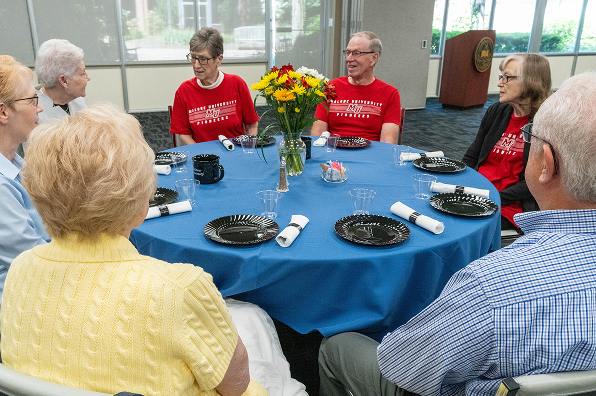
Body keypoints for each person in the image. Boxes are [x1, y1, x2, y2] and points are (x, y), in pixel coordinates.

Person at [318, 72, 596, 395]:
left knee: (334, 345)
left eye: (530, 136)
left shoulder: (489, 287)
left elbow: (404, 367)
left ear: (546, 163)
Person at [0, 103, 307, 396]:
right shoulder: (179, 288)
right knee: (259, 329)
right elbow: (236, 386)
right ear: (138, 204)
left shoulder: (21, 269)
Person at [462, 53, 551, 231]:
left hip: (509, 206)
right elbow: (472, 157)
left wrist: (492, 197)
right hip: (477, 193)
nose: (499, 83)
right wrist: (462, 186)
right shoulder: (497, 112)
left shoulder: (547, 123)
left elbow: (536, 182)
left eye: (507, 77)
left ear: (531, 81)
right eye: (501, 76)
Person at [0, 55, 50, 307]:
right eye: (32, 100)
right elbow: (37, 262)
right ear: (4, 112)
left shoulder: (17, 163)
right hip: (24, 305)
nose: (39, 107)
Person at [170, 27, 259, 145]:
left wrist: (247, 150)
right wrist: (203, 157)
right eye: (193, 57)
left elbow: (252, 125)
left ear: (219, 59)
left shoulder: (237, 84)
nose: (196, 65)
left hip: (235, 154)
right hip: (202, 158)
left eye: (203, 59)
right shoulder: (184, 91)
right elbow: (184, 135)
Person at [310, 31, 401, 143]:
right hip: (333, 155)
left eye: (356, 53)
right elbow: (317, 135)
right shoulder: (331, 87)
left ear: (374, 58)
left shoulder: (390, 93)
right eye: (348, 53)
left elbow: (388, 143)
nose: (349, 59)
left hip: (369, 157)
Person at [34, 39, 90, 122]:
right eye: (83, 73)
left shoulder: (76, 99)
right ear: (63, 81)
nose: (88, 78)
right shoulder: (35, 111)